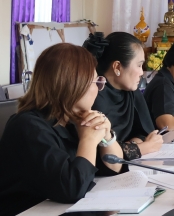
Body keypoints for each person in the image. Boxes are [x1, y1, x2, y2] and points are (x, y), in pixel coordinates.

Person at [0, 44, 123, 216]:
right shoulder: (27, 126)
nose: (99, 89)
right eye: (96, 82)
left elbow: (113, 168)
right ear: (73, 85)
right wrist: (88, 140)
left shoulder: (71, 119)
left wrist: (106, 136)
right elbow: (72, 188)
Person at [84, 32, 164, 161]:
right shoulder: (94, 96)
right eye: (139, 65)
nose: (141, 73)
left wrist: (132, 145)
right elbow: (103, 154)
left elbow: (146, 133)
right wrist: (144, 148)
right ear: (117, 67)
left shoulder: (130, 91)